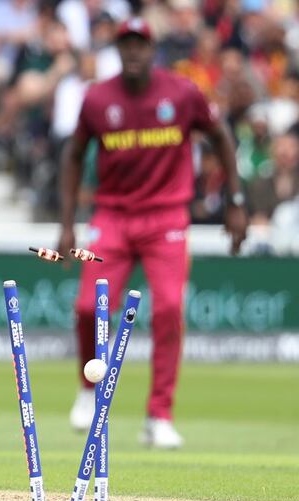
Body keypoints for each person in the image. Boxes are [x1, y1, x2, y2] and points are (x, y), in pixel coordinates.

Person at [57, 19, 248, 449]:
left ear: (152, 48)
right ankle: (89, 390)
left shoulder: (182, 92)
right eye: (126, 45)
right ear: (118, 49)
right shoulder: (97, 97)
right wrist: (67, 223)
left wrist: (235, 202)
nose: (133, 53)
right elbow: (73, 156)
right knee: (89, 307)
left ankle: (158, 416)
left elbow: (220, 137)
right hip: (113, 216)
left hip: (166, 219)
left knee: (168, 311)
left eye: (140, 45)